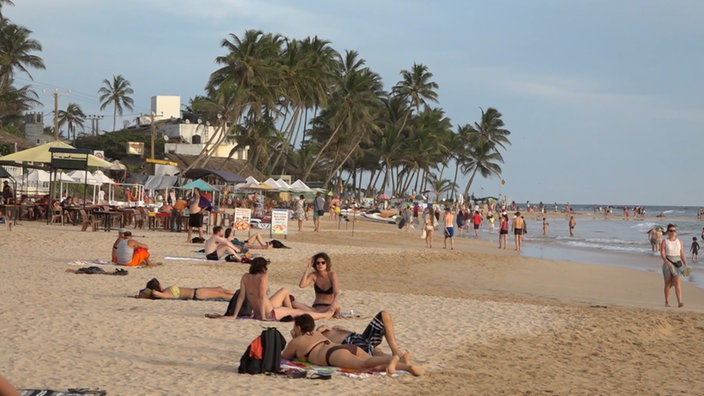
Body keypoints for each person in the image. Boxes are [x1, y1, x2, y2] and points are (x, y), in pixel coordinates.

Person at [281, 314, 423, 376]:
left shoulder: (297, 341)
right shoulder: (318, 334)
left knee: (365, 364)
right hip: (347, 347)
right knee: (374, 365)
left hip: (333, 354)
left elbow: (285, 357)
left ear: (299, 327)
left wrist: (293, 337)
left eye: (295, 328)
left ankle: (391, 359)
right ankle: (408, 367)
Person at [227, 257, 334, 321]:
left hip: (258, 311)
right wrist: (263, 317)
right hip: (270, 313)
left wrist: (235, 315)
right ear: (263, 267)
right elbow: (261, 297)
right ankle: (324, 315)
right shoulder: (263, 277)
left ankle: (290, 311)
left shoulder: (245, 276)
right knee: (299, 313)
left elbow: (241, 297)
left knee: (284, 290)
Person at [317, 311, 410, 361]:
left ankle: (396, 351)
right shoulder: (316, 334)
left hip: (360, 337)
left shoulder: (332, 327)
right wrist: (318, 330)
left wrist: (333, 327)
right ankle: (395, 360)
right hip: (349, 343)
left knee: (384, 314)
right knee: (375, 351)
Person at [660, 224, 688, 308]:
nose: (673, 232)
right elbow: (662, 253)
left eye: (674, 231)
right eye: (671, 231)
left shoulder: (679, 241)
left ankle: (679, 302)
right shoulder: (665, 241)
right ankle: (667, 302)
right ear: (668, 232)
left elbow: (682, 253)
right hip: (668, 261)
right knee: (668, 282)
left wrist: (685, 263)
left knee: (677, 282)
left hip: (678, 262)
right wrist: (666, 262)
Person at [138, 278, 235, 300]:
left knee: (221, 289)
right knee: (222, 294)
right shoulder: (164, 294)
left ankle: (242, 294)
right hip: (197, 294)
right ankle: (241, 297)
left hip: (197, 290)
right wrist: (148, 292)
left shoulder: (165, 291)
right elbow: (153, 293)